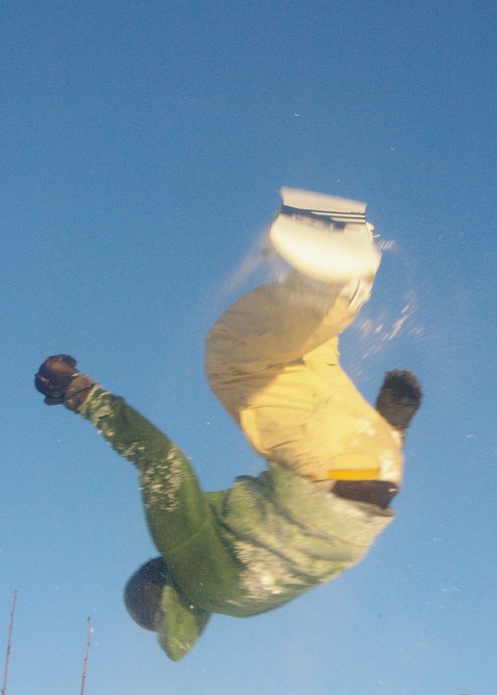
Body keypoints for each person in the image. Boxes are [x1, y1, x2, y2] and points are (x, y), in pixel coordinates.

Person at [34, 190, 421, 660]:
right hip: (327, 470)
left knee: (293, 355)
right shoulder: (188, 562)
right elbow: (163, 464)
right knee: (231, 358)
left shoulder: (236, 603)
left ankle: (333, 293)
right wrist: (81, 395)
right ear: (162, 579)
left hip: (375, 474)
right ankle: (336, 285)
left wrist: (389, 433)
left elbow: (325, 539)